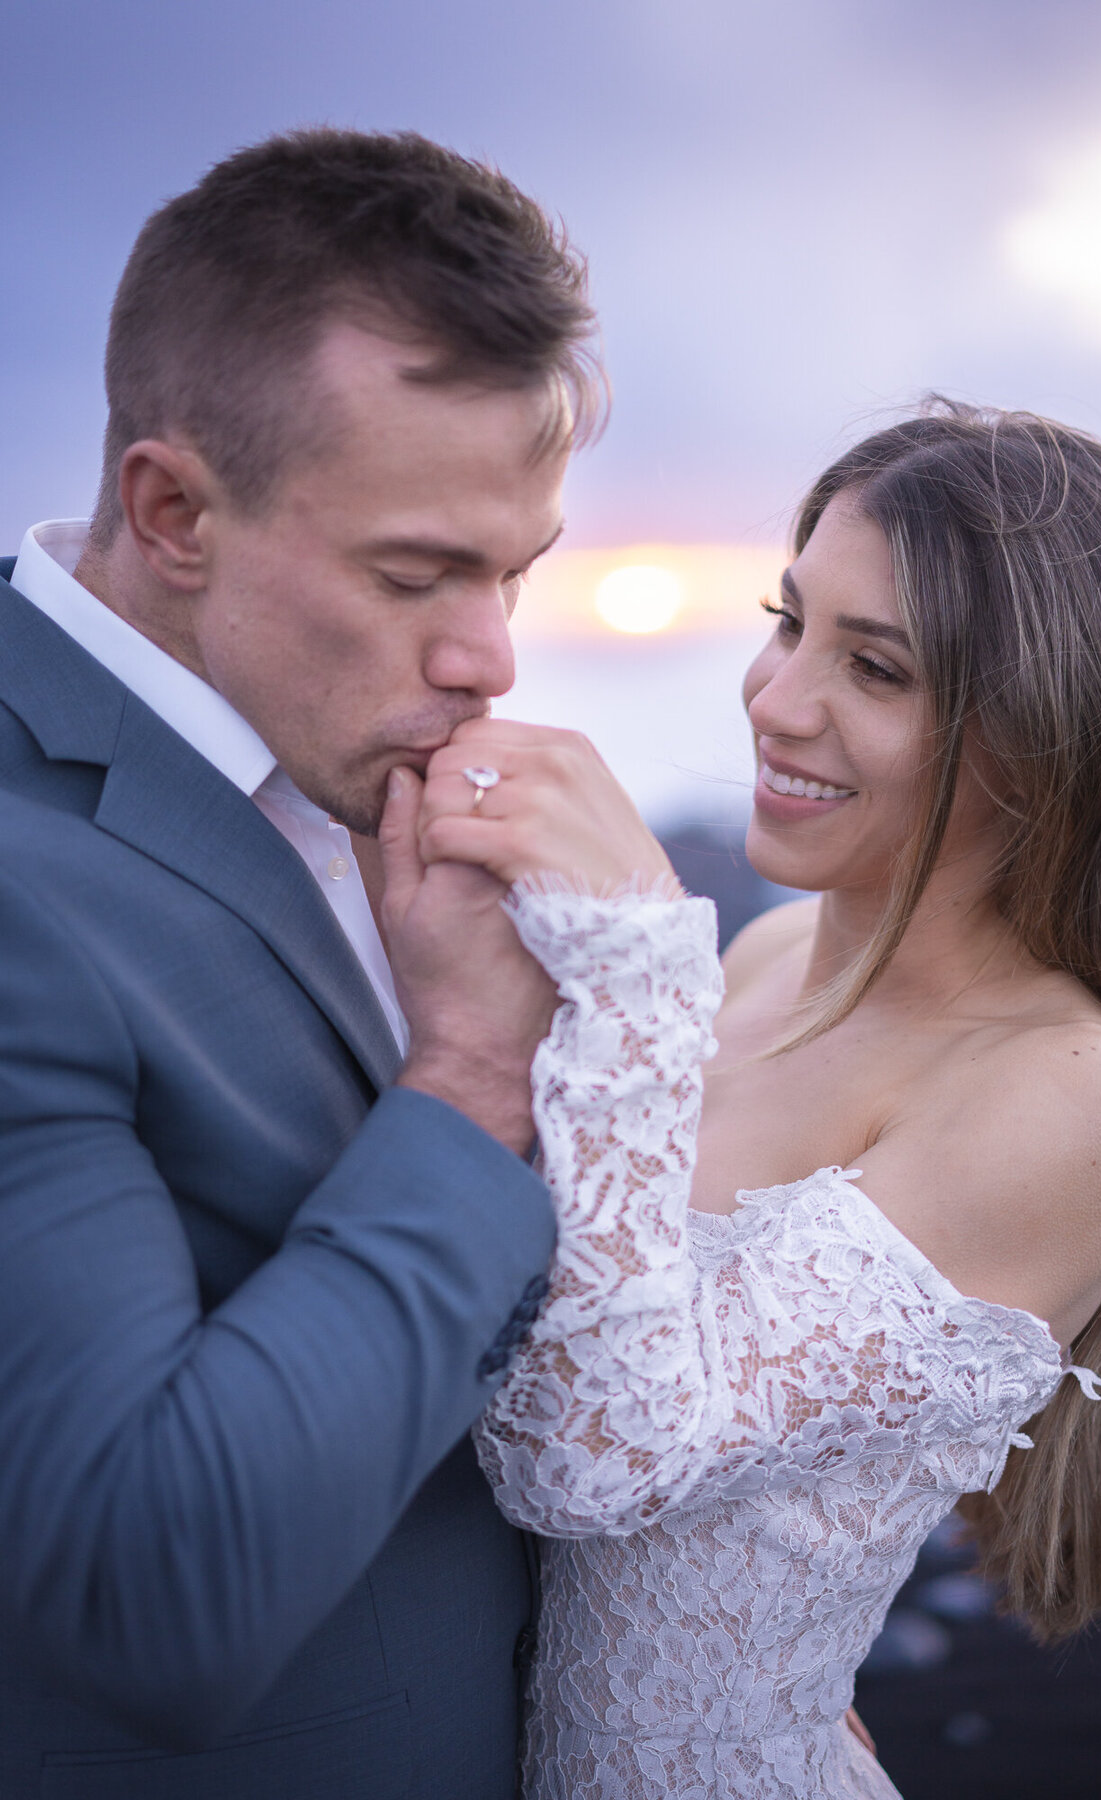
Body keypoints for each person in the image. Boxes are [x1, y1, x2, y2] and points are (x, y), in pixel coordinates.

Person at [399, 404, 1101, 1797]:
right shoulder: (770, 955)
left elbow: (590, 1460)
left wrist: (634, 956)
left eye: (874, 667)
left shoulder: (1073, 1096)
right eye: (789, 621)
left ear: (1049, 736)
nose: (774, 700)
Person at [0, 128, 605, 1800]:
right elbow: (148, 1592)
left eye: (516, 571)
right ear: (172, 511)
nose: (491, 657)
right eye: (417, 574)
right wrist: (472, 1081)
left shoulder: (340, 743)